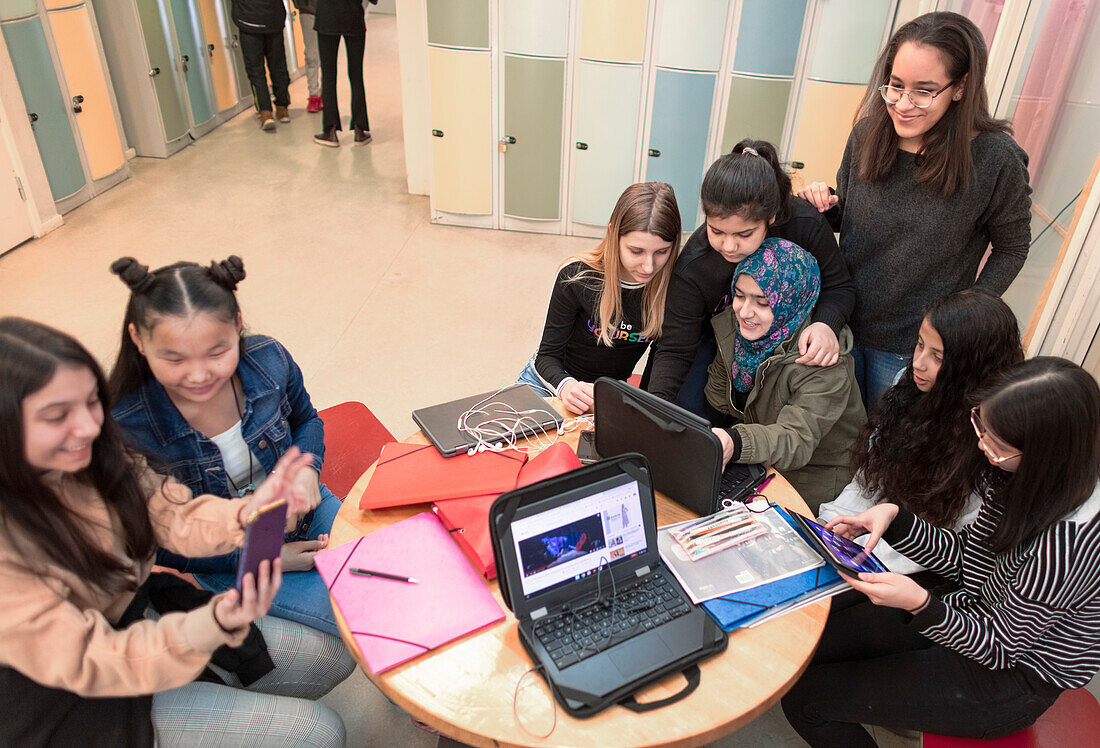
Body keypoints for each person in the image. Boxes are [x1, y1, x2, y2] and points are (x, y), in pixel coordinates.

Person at [0, 317, 352, 746]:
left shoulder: (99, 453)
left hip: (139, 612)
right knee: (316, 733)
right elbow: (102, 661)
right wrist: (215, 621)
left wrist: (252, 515)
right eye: (57, 416)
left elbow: (173, 515)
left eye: (92, 401)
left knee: (332, 658)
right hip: (77, 695)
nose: (90, 428)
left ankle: (217, 695)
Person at [781, 357, 1100, 745]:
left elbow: (999, 647)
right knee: (810, 648)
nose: (982, 447)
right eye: (980, 426)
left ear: (1042, 456)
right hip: (972, 614)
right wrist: (895, 519)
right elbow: (972, 558)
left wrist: (919, 603)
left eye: (997, 446)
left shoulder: (1068, 544)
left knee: (806, 700)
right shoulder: (1025, 477)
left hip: (1007, 679)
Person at [798, 11, 1031, 405]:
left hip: (913, 349)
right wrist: (823, 205)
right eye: (895, 85)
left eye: (924, 91)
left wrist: (961, 319)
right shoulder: (867, 133)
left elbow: (1012, 248)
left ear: (960, 87)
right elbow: (851, 216)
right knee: (835, 450)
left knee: (885, 453)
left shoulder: (995, 159)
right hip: (842, 329)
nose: (903, 104)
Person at [108, 256, 344, 637]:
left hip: (309, 517)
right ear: (138, 339)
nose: (200, 375)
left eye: (217, 353)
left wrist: (306, 470)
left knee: (401, 587)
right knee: (360, 621)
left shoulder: (269, 359)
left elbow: (306, 419)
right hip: (229, 555)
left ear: (237, 326)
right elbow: (154, 539)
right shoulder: (126, 424)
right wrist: (266, 555)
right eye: (174, 358)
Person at [644, 139, 856, 417]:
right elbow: (675, 349)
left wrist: (826, 325)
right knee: (691, 414)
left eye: (744, 234)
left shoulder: (803, 224)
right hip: (715, 340)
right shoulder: (695, 266)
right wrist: (652, 407)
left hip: (789, 339)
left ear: (771, 217)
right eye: (716, 231)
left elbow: (840, 287)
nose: (729, 246)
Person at [819, 289, 1024, 573]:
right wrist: (831, 524)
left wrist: (864, 556)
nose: (918, 363)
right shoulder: (907, 387)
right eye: (919, 345)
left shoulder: (989, 442)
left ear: (972, 368)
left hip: (913, 569)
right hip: (869, 545)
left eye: (938, 357)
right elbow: (870, 480)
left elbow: (951, 545)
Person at [703, 238, 864, 511]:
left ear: (789, 301)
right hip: (760, 461)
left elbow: (795, 440)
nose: (744, 311)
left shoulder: (822, 359)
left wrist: (736, 441)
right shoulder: (739, 330)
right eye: (739, 295)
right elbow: (718, 400)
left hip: (816, 481)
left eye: (763, 302)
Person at [517, 182, 681, 415]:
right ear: (613, 234)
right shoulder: (576, 276)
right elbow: (547, 357)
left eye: (661, 252)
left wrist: (644, 413)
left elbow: (657, 372)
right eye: (636, 251)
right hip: (552, 383)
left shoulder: (675, 290)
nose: (648, 266)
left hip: (606, 395)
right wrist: (567, 387)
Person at [313, 0, 374, 146]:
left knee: (328, 76)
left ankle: (330, 130)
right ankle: (360, 130)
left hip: (327, 16)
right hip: (353, 17)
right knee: (356, 76)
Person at [231, 0, 292, 131]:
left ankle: (266, 112)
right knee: (278, 65)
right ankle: (282, 108)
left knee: (255, 69)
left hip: (248, 20)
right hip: (273, 18)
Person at [292, 0, 323, 113]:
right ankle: (313, 94)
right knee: (311, 56)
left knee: (327, 56)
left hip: (330, 9)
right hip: (307, 8)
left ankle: (326, 93)